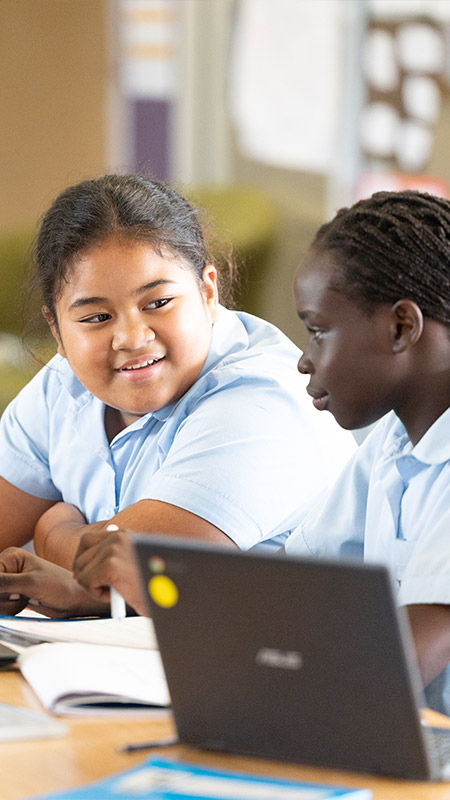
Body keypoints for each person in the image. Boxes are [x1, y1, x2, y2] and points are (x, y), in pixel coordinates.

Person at [0, 173, 355, 617]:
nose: (132, 338)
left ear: (208, 291)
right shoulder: (64, 383)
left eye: (157, 303)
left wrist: (52, 531)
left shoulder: (262, 403)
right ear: (56, 330)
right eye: (96, 318)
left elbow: (128, 572)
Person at [284, 189, 450, 714]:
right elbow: (293, 587)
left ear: (402, 327)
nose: (304, 360)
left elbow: (398, 665)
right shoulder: (393, 441)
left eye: (318, 332)